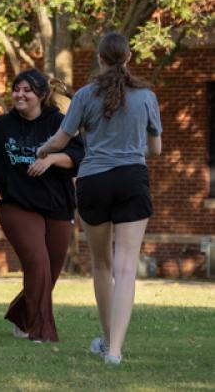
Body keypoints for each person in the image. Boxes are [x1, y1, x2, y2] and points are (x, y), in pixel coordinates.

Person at [37, 32, 162, 364]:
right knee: (125, 268)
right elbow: (156, 149)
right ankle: (115, 351)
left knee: (102, 264)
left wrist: (42, 149)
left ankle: (108, 341)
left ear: (100, 59)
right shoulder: (147, 96)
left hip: (93, 181)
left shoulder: (83, 95)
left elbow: (62, 139)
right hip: (132, 179)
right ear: (129, 56)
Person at [0, 69, 84, 343]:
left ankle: (22, 316)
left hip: (57, 204)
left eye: (26, 90)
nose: (19, 95)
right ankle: (41, 330)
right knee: (38, 263)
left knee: (51, 270)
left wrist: (51, 159)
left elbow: (79, 156)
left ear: (41, 95)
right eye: (16, 89)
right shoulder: (1, 126)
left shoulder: (59, 122)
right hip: (16, 203)